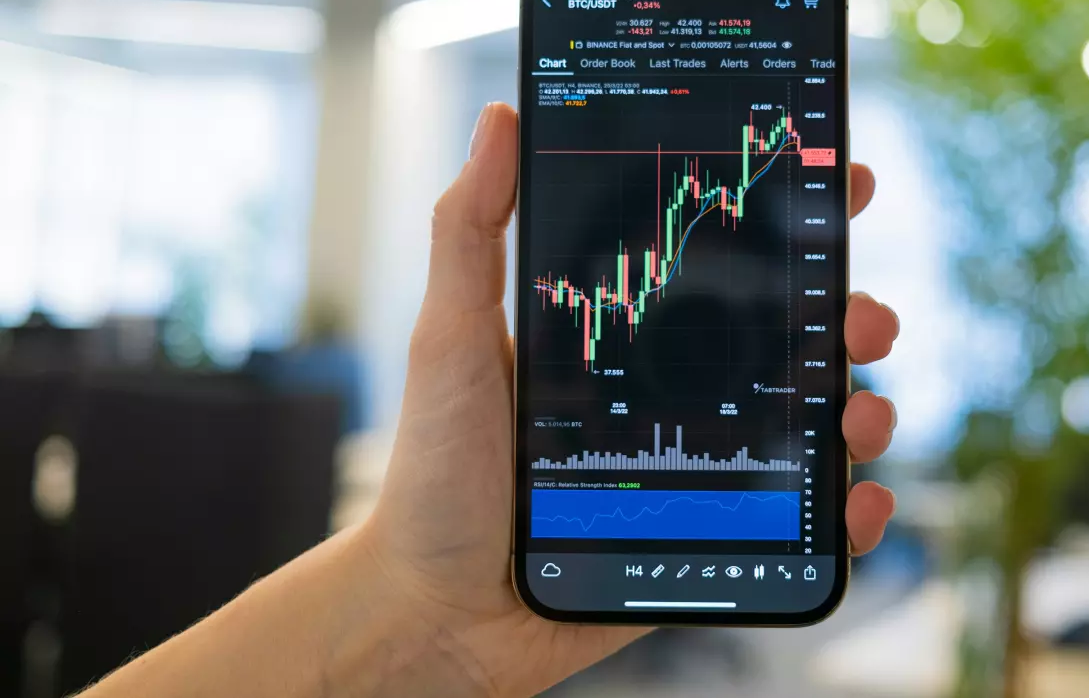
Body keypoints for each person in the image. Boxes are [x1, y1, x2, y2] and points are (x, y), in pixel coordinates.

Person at [82, 103, 901, 698]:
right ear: (585, 337)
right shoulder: (514, 529)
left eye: (718, 330)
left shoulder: (830, 623)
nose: (684, 356)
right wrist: (410, 602)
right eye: (651, 320)